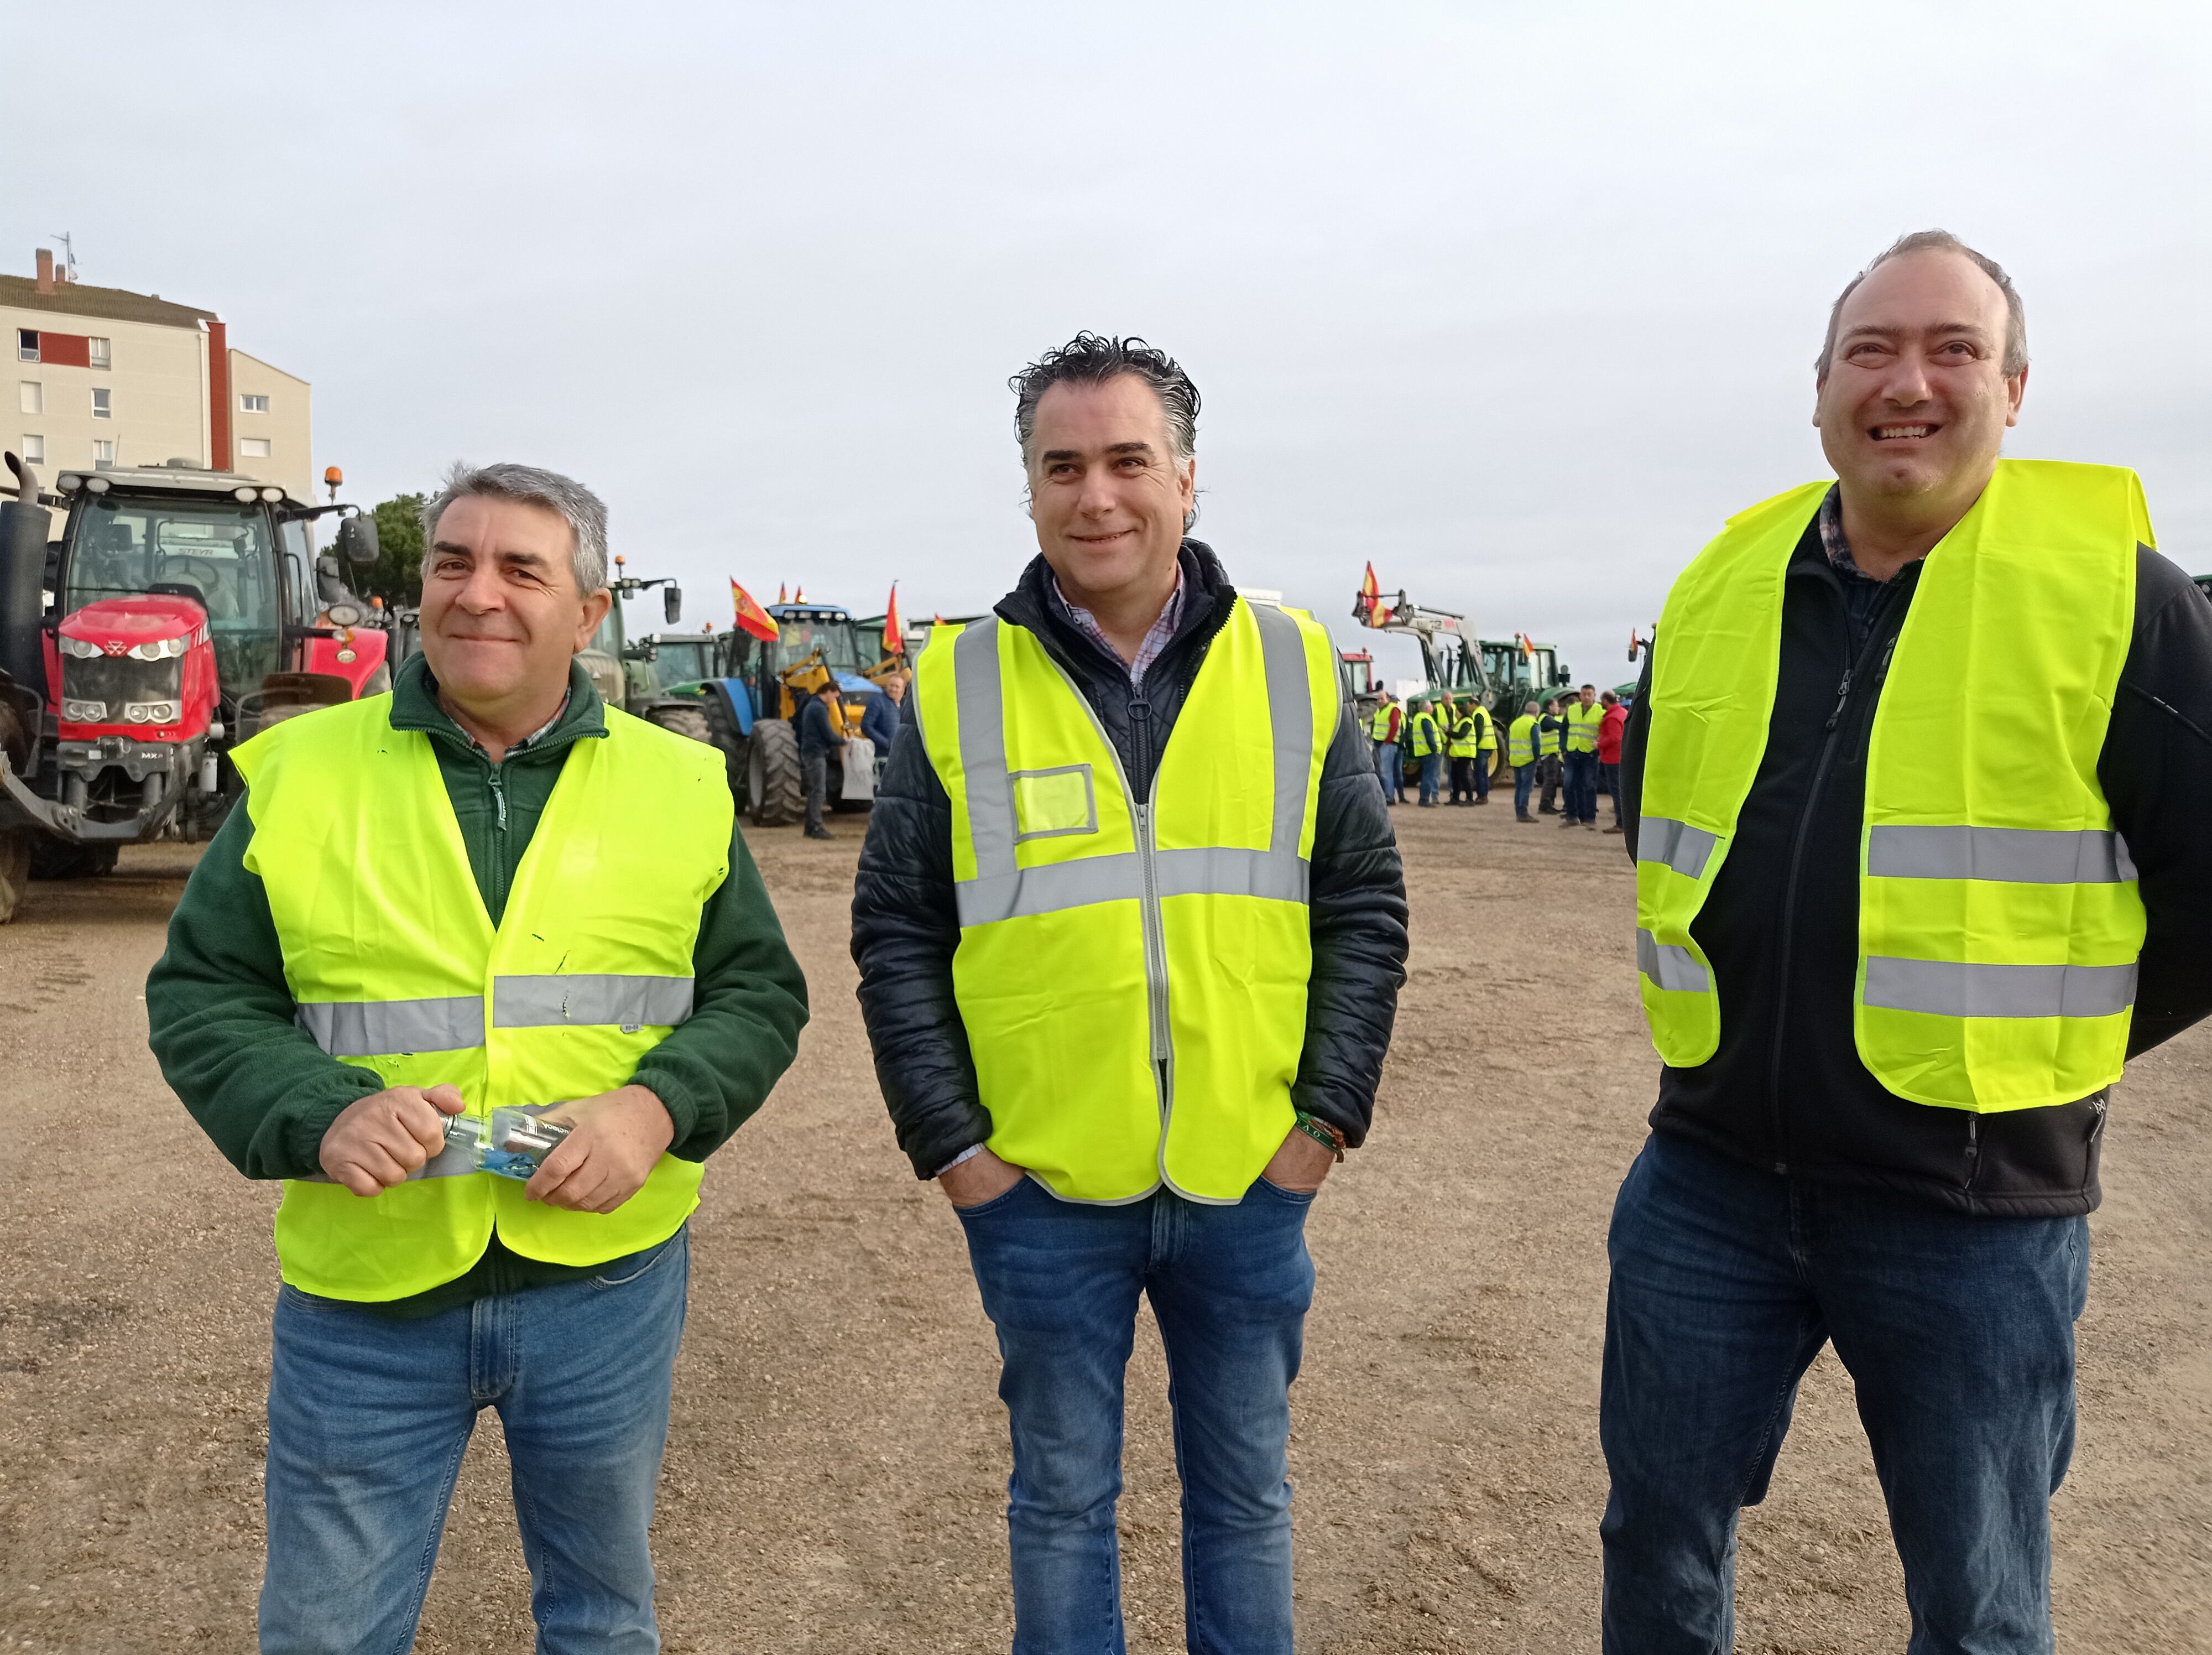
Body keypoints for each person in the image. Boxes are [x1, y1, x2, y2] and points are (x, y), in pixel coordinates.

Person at [1607, 231, 2212, 1654]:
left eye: (1951, 349)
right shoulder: (1719, 582)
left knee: (1978, 1596)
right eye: (1871, 349)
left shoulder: (2120, 595)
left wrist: (2054, 1028)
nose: (1908, 381)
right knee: (1656, 1536)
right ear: (1818, 387)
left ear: (2013, 387)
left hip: (1969, 1201)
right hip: (1707, 1181)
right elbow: (1657, 821)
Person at [145, 461, 811, 1654]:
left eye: (520, 568)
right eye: (453, 562)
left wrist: (656, 1110)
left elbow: (756, 992)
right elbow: (204, 994)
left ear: (587, 612)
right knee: (325, 1631)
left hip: (603, 1283)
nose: (477, 594)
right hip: (369, 1296)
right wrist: (318, 1109)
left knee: (601, 1618)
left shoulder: (682, 783)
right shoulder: (302, 774)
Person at [851, 333, 1407, 1655]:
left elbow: (1363, 908)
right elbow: (897, 929)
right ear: (1029, 489)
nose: (1094, 496)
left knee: (1244, 1498)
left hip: (1246, 1178)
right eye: (1062, 467)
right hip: (1039, 1187)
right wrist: (956, 1146)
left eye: (1125, 461)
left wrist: (1321, 1120)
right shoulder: (955, 682)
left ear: (1187, 478)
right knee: (1057, 1501)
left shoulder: (1292, 662)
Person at [797, 682, 840, 839]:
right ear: (828, 692)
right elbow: (828, 734)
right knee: (819, 791)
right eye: (835, 697)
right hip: (816, 753)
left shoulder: (812, 706)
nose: (834, 701)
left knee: (814, 790)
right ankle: (816, 826)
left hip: (811, 752)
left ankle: (809, 827)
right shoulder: (818, 709)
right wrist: (845, 741)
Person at [1562, 682, 1604, 829]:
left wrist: (1599, 746)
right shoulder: (1572, 710)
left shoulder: (1601, 712)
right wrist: (1564, 748)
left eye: (1589, 694)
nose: (1586, 697)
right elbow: (1564, 730)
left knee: (1589, 786)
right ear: (1580, 696)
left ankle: (1590, 819)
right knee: (1568, 785)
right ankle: (1572, 817)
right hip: (1572, 752)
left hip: (1590, 754)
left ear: (1594, 696)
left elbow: (1604, 733)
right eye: (1584, 694)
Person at [1597, 688, 1626, 833]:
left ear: (1605, 701)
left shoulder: (1612, 717)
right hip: (1622, 757)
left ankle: (1621, 823)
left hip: (1613, 758)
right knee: (1622, 789)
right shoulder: (1623, 713)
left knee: (1616, 791)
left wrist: (1599, 744)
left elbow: (1615, 738)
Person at [860, 670, 904, 765]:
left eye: (897, 687)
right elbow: (866, 726)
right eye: (891, 685)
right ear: (887, 685)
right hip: (882, 758)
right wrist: (887, 743)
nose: (893, 689)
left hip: (896, 757)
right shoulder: (877, 701)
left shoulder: (901, 705)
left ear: (902, 690)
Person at [1507, 698, 1541, 823]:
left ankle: (1518, 813)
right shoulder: (1533, 724)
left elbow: (1508, 741)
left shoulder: (1515, 723)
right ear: (1536, 712)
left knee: (1519, 787)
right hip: (1528, 760)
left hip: (1515, 759)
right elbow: (1536, 744)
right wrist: (1537, 758)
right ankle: (1523, 813)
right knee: (1526, 787)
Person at [1445, 697, 1483, 805]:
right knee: (1455, 776)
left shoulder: (1467, 722)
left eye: (1457, 712)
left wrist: (1448, 733)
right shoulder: (1460, 722)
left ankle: (1470, 799)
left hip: (1466, 753)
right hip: (1458, 753)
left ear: (1462, 713)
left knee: (1463, 776)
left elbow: (1462, 735)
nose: (1456, 713)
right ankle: (1455, 798)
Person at [1407, 694, 1444, 806]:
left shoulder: (1418, 718)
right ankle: (1424, 800)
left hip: (1423, 751)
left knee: (1426, 776)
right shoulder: (1426, 719)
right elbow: (1429, 736)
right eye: (1431, 706)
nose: (1433, 707)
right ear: (1427, 708)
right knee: (1429, 776)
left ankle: (1423, 798)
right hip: (1430, 752)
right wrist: (1434, 749)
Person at [1369, 690, 1404, 804]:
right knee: (1382, 772)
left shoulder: (1393, 709)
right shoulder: (1380, 711)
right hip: (1380, 744)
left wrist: (1388, 741)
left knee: (1386, 772)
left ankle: (1390, 797)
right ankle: (1386, 795)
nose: (1379, 701)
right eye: (1378, 699)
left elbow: (1395, 725)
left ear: (1388, 699)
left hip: (1387, 744)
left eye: (1382, 699)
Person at [1535, 694, 1566, 814]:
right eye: (1557, 706)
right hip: (1549, 755)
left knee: (1553, 780)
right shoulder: (1546, 719)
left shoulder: (1546, 717)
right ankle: (1545, 806)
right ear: (1550, 707)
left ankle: (1549, 805)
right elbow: (1559, 726)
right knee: (1550, 780)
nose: (1558, 709)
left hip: (1551, 755)